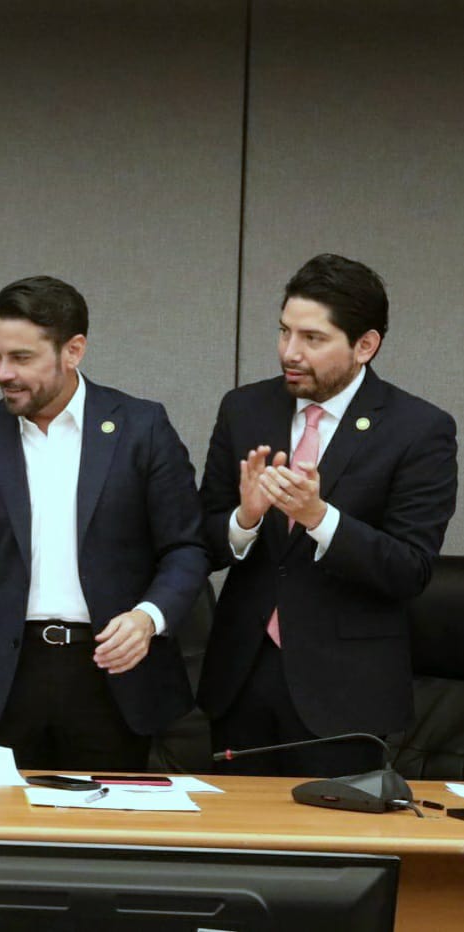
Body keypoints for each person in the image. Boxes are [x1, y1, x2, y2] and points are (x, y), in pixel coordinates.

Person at [0, 275, 207, 771]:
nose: (3, 373)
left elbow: (187, 548)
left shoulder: (141, 428)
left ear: (73, 351)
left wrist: (147, 618)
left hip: (112, 674)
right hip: (5, 680)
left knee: (108, 819)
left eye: (21, 358)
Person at [199, 254, 457, 777]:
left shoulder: (418, 429)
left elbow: (409, 569)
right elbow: (200, 540)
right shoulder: (244, 409)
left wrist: (319, 518)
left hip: (345, 693)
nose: (289, 352)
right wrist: (245, 519)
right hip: (241, 678)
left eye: (313, 338)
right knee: (234, 827)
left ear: (365, 345)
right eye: (284, 331)